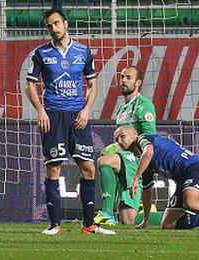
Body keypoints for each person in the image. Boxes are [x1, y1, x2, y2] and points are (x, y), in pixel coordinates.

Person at [24, 9, 115, 235]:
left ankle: (89, 225)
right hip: (53, 116)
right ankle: (54, 225)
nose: (53, 28)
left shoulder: (83, 52)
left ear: (65, 23)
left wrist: (86, 110)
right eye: (49, 26)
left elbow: (93, 85)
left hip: (78, 116)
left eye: (56, 23)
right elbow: (30, 85)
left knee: (88, 167)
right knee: (53, 168)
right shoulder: (41, 53)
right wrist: (40, 111)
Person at [94, 66, 156, 226]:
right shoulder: (121, 109)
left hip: (136, 160)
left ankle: (107, 212)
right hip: (124, 159)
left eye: (128, 78)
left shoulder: (144, 105)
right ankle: (111, 210)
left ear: (138, 83)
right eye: (122, 77)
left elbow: (151, 139)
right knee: (127, 221)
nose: (123, 81)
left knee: (104, 161)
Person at [114, 125, 199, 230]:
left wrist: (136, 178)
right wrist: (146, 220)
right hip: (182, 180)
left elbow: (149, 152)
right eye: (117, 140)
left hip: (193, 168)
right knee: (168, 224)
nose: (120, 141)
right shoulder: (145, 163)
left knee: (191, 203)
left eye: (122, 136)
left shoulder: (143, 138)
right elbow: (147, 192)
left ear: (134, 134)